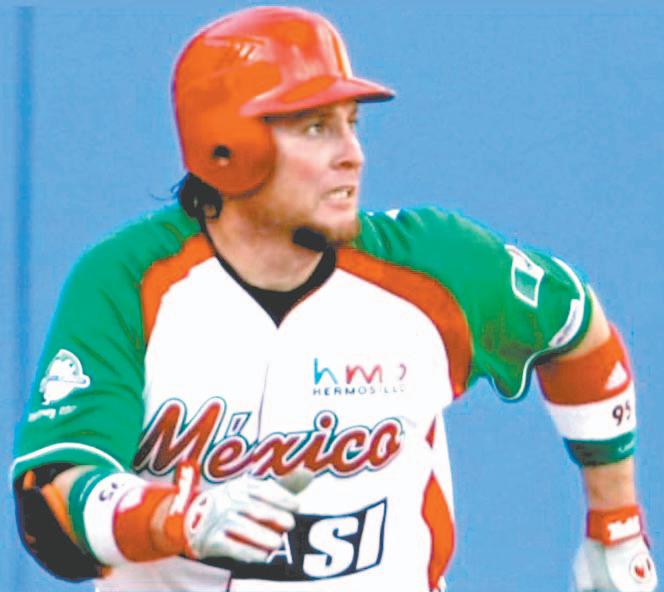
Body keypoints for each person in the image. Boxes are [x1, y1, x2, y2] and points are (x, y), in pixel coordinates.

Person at [11, 6, 657, 592]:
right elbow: (51, 501)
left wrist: (617, 525)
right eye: (316, 127)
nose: (353, 156)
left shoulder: (434, 269)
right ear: (227, 145)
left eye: (352, 125)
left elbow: (575, 328)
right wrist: (176, 517)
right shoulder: (129, 281)